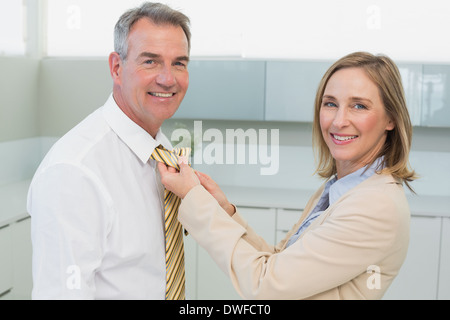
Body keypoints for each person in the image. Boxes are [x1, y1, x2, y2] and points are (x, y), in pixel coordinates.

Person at [158, 52, 417, 300]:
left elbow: (265, 284)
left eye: (359, 106)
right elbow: (279, 261)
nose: (339, 121)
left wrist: (195, 199)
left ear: (391, 119)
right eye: (330, 104)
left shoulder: (374, 207)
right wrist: (224, 211)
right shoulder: (341, 189)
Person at [27, 2, 191, 299]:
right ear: (117, 68)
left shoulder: (162, 150)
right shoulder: (74, 172)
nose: (168, 78)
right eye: (150, 61)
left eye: (179, 62)